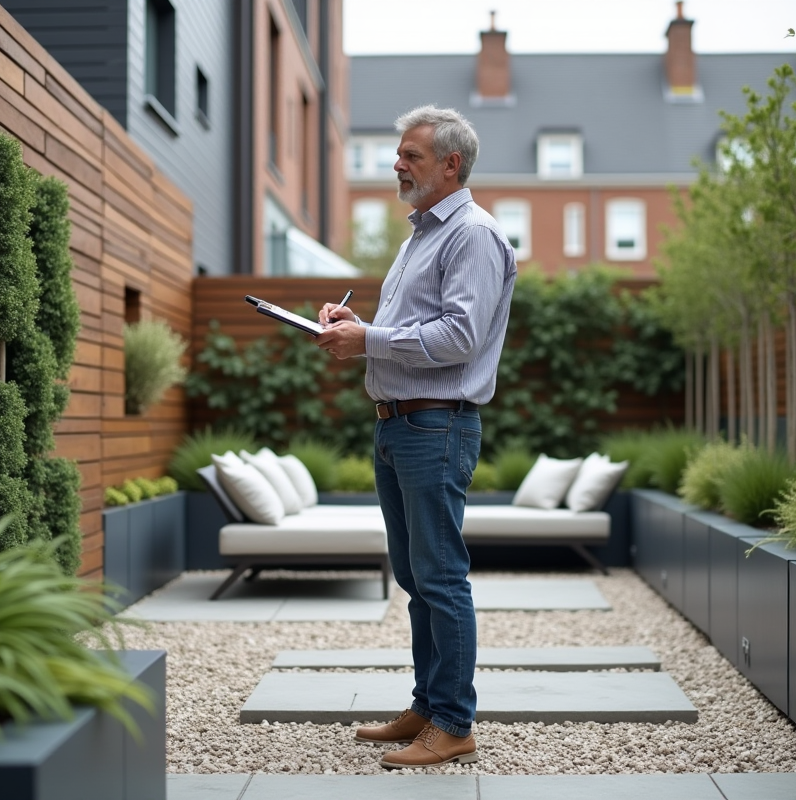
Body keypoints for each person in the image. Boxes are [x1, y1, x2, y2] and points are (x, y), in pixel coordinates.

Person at [313, 105, 517, 769]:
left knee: (440, 576)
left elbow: (457, 338)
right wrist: (357, 322)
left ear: (450, 164)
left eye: (410, 155)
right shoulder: (419, 237)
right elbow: (415, 334)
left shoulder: (474, 236)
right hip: (400, 424)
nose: (396, 164)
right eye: (398, 154)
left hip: (436, 423)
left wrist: (366, 338)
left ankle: (454, 723)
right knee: (413, 575)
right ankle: (428, 704)